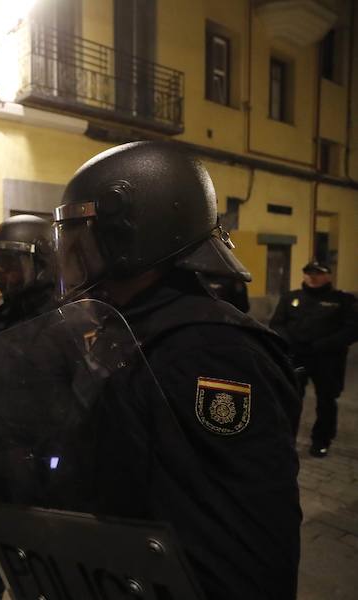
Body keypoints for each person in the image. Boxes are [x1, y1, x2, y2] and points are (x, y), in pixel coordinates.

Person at [50, 141, 302, 600]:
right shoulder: (128, 323)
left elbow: (236, 543)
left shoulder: (210, 351)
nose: (71, 253)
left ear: (130, 233)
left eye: (81, 236)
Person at [0, 215, 58, 600]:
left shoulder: (65, 318)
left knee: (35, 553)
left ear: (40, 265)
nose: (1, 273)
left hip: (43, 452)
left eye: (10, 263)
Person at [270, 260, 358, 457]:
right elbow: (277, 323)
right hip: (296, 357)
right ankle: (287, 440)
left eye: (318, 273)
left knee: (326, 401)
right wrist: (289, 342)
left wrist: (324, 344)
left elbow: (352, 330)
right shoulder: (291, 297)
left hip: (328, 360)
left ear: (328, 276)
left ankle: (321, 441)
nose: (312, 276)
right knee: (291, 398)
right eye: (309, 272)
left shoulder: (342, 300)